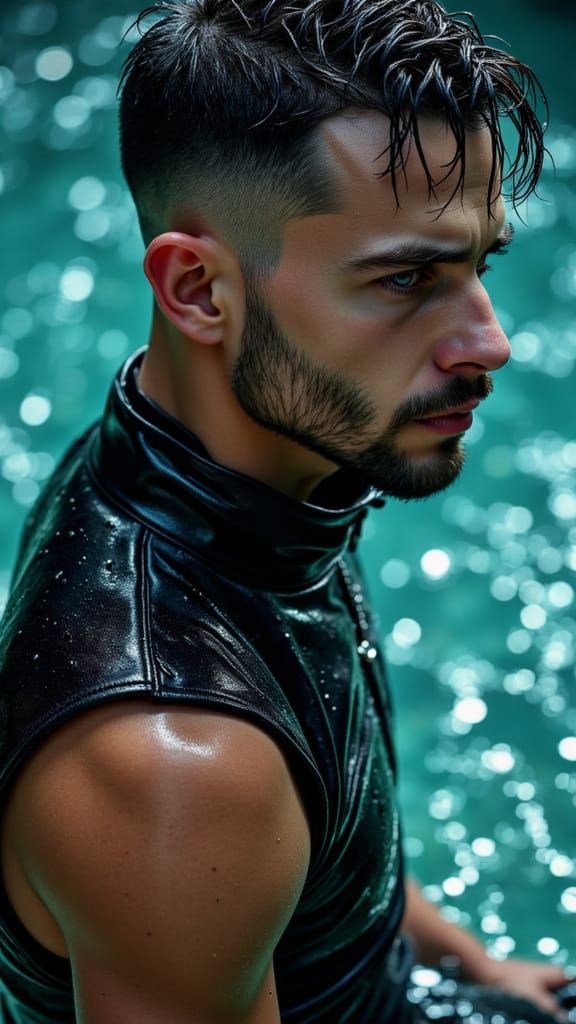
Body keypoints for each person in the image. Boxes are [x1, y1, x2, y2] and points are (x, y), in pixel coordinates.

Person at [0, 1, 572, 1022]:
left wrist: (471, 967)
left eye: (479, 263)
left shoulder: (227, 467)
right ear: (199, 291)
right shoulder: (178, 777)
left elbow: (331, 827)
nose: (490, 343)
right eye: (406, 279)